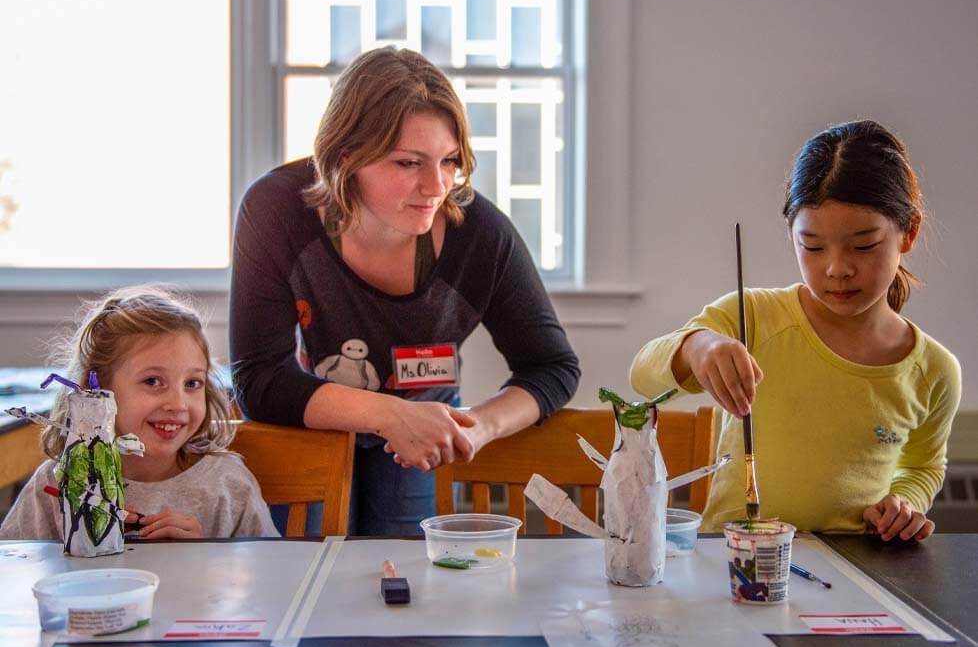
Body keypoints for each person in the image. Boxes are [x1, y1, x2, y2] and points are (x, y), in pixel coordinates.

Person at [230, 47, 580, 536]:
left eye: (450, 161)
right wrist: (390, 414)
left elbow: (553, 367)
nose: (436, 186)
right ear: (346, 157)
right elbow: (259, 380)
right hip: (310, 414)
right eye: (409, 162)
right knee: (307, 564)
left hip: (425, 426)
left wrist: (476, 427)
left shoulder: (481, 235)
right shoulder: (276, 208)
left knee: (405, 570)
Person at [630, 120, 961, 540]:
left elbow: (922, 466)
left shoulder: (933, 370)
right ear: (792, 235)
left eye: (863, 245)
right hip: (736, 559)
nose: (837, 268)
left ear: (908, 232)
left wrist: (903, 503)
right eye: (813, 246)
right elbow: (643, 376)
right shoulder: (751, 317)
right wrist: (697, 346)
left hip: (851, 564)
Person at [0, 287, 279, 540]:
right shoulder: (56, 481)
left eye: (192, 383)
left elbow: (267, 572)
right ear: (99, 391)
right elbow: (13, 568)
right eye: (153, 381)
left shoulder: (228, 485)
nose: (178, 404)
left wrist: (202, 554)